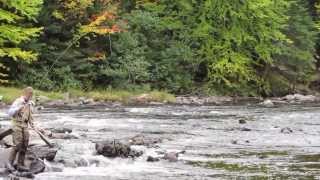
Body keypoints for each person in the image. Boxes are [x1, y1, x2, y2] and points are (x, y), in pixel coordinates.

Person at [6, 87, 35, 171]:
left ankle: (20, 164)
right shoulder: (18, 101)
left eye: (31, 94)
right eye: (29, 94)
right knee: (17, 145)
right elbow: (9, 113)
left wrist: (33, 125)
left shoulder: (30, 104)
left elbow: (30, 116)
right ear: (25, 93)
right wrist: (18, 109)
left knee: (25, 145)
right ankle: (9, 163)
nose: (30, 96)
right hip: (17, 125)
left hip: (25, 126)